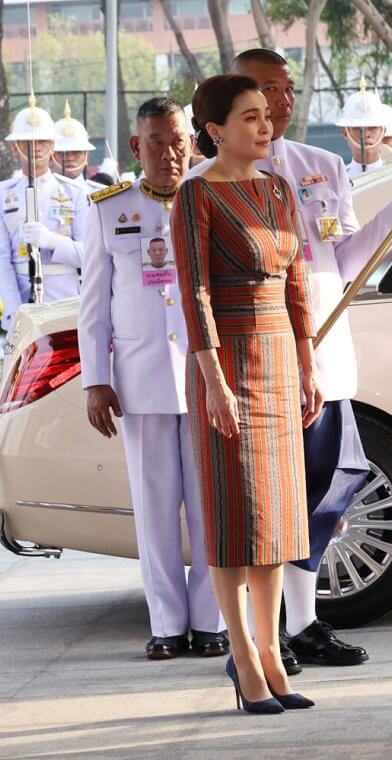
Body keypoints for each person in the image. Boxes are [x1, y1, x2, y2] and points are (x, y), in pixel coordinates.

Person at [192, 48, 392, 674]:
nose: (281, 101)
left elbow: (344, 261)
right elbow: (195, 291)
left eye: (287, 88)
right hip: (248, 365)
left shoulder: (319, 167)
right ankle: (258, 640)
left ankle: (298, 625)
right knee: (257, 503)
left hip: (315, 359)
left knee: (328, 486)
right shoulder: (206, 185)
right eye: (266, 90)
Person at [174, 73, 322, 714]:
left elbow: (297, 288)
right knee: (237, 519)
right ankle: (242, 659)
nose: (266, 127)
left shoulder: (280, 189)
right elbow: (195, 292)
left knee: (279, 521)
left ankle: (272, 653)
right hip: (225, 367)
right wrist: (213, 382)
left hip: (281, 364)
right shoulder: (195, 195)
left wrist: (309, 367)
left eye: (268, 115)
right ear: (215, 130)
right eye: (251, 117)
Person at [77, 96, 228, 661]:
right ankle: (167, 623)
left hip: (205, 376)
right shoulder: (108, 210)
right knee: (155, 507)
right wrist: (97, 379)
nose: (170, 153)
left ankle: (210, 619)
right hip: (141, 380)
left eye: (178, 140)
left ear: (193, 141)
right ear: (138, 147)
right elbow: (93, 306)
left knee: (210, 504)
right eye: (157, 144)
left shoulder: (211, 196)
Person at [0, 97, 88, 331]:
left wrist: (53, 241)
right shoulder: (3, 194)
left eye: (42, 140)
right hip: (22, 300)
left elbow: (90, 254)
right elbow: (2, 260)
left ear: (53, 145)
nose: (35, 147)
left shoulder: (74, 192)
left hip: (65, 302)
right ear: (13, 146)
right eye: (27, 141)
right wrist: (12, 314)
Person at [338, 78, 387, 177]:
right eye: (358, 128)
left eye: (373, 127)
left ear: (384, 131)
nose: (366, 134)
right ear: (344, 132)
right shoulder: (338, 179)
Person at [51, 103, 103, 193]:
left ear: (87, 157)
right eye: (63, 153)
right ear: (51, 157)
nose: (70, 158)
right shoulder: (39, 195)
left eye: (77, 152)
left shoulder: (99, 194)